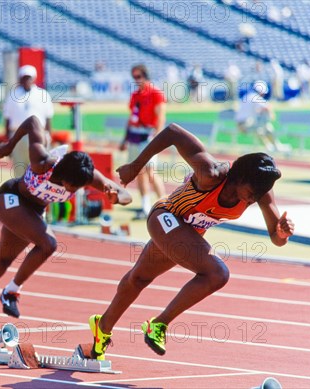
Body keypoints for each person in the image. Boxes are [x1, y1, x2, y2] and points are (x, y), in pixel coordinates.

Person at [88, 122, 295, 360]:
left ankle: (101, 328)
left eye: (259, 194)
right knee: (217, 273)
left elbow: (276, 237)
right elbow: (173, 131)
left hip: (187, 232)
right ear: (240, 177)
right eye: (252, 192)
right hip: (166, 216)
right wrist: (135, 167)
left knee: (139, 278)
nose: (254, 198)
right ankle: (159, 325)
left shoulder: (259, 190)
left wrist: (281, 234)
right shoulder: (211, 173)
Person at [0, 116, 132, 318]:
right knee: (49, 244)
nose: (76, 190)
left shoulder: (87, 175)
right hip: (11, 199)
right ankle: (11, 292)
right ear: (64, 174)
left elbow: (126, 194)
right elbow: (33, 121)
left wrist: (116, 197)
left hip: (32, 212)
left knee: (3, 261)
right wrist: (10, 145)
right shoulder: (42, 162)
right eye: (74, 187)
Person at [120, 64, 165, 220]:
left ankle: (165, 204)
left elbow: (160, 117)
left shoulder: (155, 93)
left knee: (151, 172)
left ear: (146, 76)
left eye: (138, 77)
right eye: (134, 77)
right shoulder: (136, 95)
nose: (136, 80)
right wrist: (124, 138)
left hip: (148, 135)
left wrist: (157, 138)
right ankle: (145, 207)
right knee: (139, 172)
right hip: (135, 134)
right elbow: (131, 117)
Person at [3, 65, 54, 175]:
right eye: (24, 78)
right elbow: (7, 118)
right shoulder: (13, 95)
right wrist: (8, 140)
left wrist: (48, 135)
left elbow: (48, 117)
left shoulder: (42, 94)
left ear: (34, 78)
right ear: (20, 79)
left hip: (38, 135)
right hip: (18, 136)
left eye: (29, 77)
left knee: (39, 167)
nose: (27, 80)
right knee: (20, 167)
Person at [235, 81, 290, 153]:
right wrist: (271, 115)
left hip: (240, 124)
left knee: (261, 127)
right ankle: (276, 146)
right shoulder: (256, 97)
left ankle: (270, 146)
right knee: (266, 127)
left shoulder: (247, 96)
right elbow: (267, 107)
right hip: (245, 125)